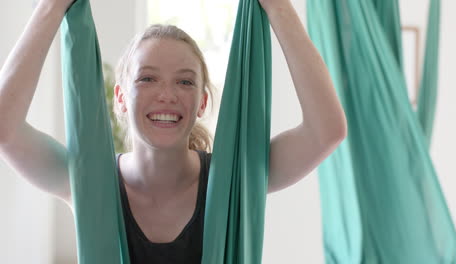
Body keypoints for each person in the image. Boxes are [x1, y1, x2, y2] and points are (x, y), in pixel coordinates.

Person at [0, 0, 347, 263]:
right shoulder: (89, 183)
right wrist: (52, 6)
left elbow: (326, 130)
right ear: (120, 98)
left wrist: (278, 7)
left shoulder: (233, 181)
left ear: (201, 102)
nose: (166, 94)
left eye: (184, 81)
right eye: (147, 78)